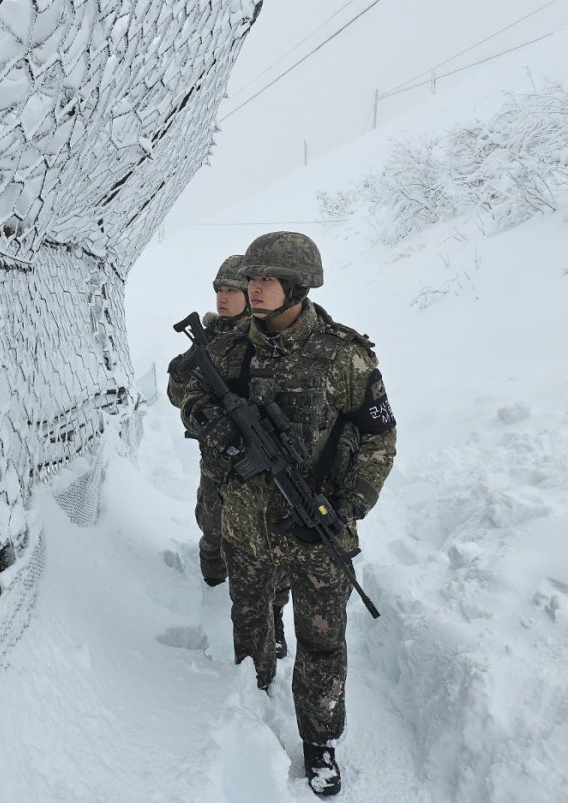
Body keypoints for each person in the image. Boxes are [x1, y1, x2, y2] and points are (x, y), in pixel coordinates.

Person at [177, 232, 397, 797]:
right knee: (251, 627)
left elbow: (379, 440)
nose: (252, 288)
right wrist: (210, 421)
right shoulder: (229, 347)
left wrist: (349, 505)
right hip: (246, 527)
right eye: (250, 279)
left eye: (265, 279)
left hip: (317, 531)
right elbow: (182, 387)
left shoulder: (343, 355)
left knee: (323, 643)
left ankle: (320, 745)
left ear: (297, 286)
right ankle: (249, 713)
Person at [167, 255, 248, 587]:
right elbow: (177, 397)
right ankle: (212, 586)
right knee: (212, 524)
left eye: (232, 290)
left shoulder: (263, 340)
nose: (223, 298)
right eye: (220, 290)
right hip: (216, 456)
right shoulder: (207, 338)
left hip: (253, 458)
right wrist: (181, 373)